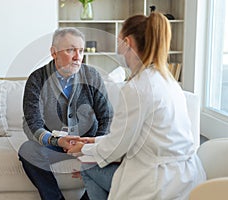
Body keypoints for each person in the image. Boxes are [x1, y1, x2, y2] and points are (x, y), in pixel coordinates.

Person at [67, 12, 206, 200]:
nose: (118, 49)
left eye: (118, 42)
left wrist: (81, 149)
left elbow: (117, 146)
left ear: (128, 42)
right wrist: (93, 142)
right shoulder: (167, 80)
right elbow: (135, 136)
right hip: (188, 177)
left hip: (158, 183)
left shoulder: (137, 87)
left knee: (87, 167)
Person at [18, 27, 113, 200]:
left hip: (87, 141)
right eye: (70, 50)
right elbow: (33, 122)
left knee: (116, 158)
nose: (78, 57)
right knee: (28, 150)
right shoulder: (37, 79)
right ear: (54, 53)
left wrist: (93, 148)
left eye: (81, 50)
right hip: (53, 143)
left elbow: (106, 116)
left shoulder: (92, 76)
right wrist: (57, 140)